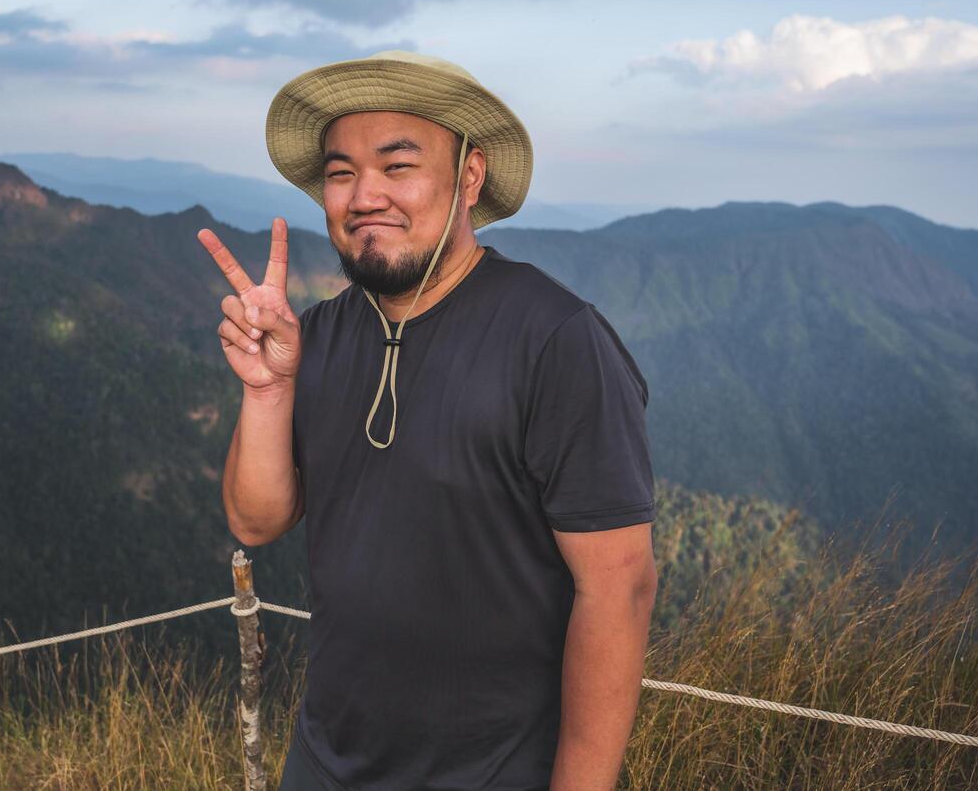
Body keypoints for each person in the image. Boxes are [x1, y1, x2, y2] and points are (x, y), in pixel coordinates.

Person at [196, 51, 658, 791]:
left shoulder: (555, 340)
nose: (363, 195)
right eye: (341, 172)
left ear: (468, 177)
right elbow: (256, 521)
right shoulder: (320, 334)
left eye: (397, 165)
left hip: (496, 771)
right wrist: (266, 390)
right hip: (324, 758)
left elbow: (619, 589)